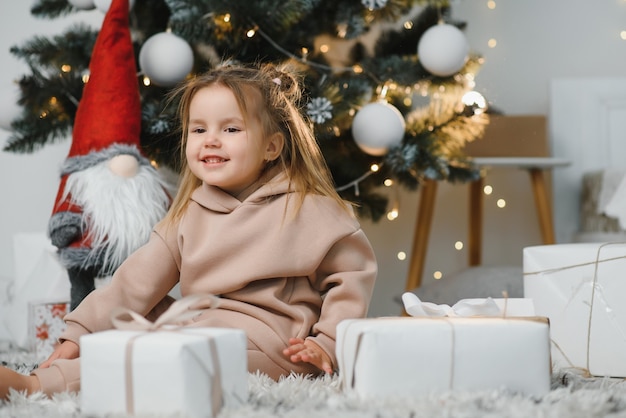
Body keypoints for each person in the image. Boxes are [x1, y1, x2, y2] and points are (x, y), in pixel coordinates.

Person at [0, 61, 377, 399]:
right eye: (199, 129)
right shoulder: (189, 215)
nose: (211, 139)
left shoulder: (307, 209)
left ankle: (38, 386)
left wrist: (326, 343)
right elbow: (133, 286)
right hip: (203, 324)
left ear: (272, 147)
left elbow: (350, 277)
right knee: (133, 314)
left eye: (231, 128)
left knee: (163, 359)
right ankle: (82, 361)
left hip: (273, 344)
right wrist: (77, 334)